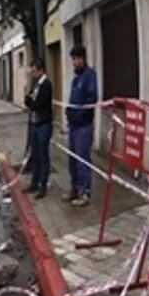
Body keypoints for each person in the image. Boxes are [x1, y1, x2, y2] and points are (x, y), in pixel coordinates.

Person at [65, 46, 97, 206]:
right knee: (72, 159)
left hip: (83, 125)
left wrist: (82, 113)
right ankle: (75, 188)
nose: (74, 62)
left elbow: (91, 98)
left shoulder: (89, 76)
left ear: (83, 58)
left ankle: (85, 192)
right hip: (74, 125)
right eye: (73, 59)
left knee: (82, 159)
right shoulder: (76, 78)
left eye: (76, 59)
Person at [24, 58, 53, 198]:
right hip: (35, 124)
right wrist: (30, 101)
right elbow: (28, 100)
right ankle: (34, 182)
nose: (32, 73)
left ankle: (43, 184)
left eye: (34, 71)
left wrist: (31, 101)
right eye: (31, 71)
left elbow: (38, 104)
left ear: (41, 70)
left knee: (43, 155)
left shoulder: (46, 85)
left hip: (43, 124)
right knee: (34, 155)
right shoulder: (35, 84)